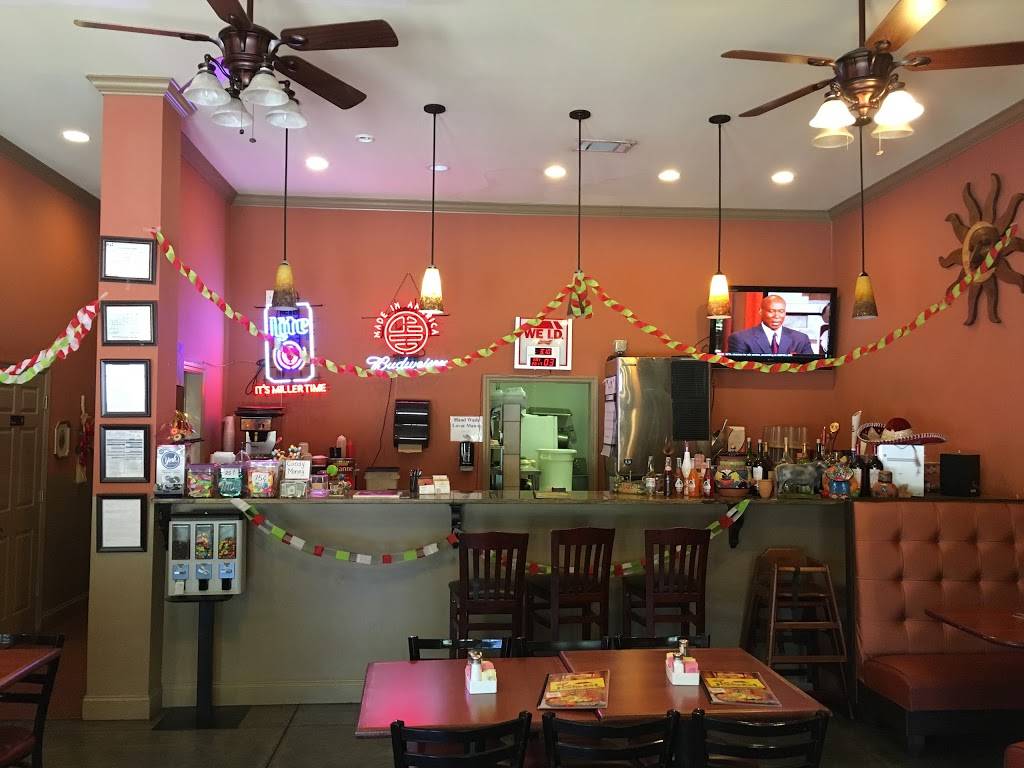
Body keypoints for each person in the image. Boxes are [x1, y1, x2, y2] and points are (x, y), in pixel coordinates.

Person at [728, 294, 813, 355]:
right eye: (771, 311)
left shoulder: (801, 339)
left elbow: (810, 369)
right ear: (760, 312)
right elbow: (738, 370)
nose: (776, 316)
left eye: (781, 311)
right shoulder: (741, 338)